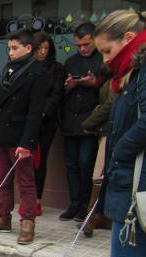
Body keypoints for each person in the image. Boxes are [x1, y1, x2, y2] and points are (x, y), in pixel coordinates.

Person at [93, 10, 146, 257]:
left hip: (135, 186)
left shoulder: (141, 71)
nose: (105, 60)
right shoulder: (130, 74)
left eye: (107, 51)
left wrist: (117, 154)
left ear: (128, 39)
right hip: (129, 183)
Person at [0, 29, 46, 245]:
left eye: (15, 48)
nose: (11, 52)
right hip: (1, 136)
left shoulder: (37, 72)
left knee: (25, 182)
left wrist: (27, 143)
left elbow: (35, 112)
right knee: (2, 180)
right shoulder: (8, 69)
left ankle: (27, 222)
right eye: (9, 48)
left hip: (20, 139)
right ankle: (2, 217)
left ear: (28, 48)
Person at [59, 22, 104, 222]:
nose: (83, 49)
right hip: (70, 120)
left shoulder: (103, 59)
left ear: (95, 39)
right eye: (79, 45)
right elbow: (61, 91)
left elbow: (108, 90)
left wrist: (94, 83)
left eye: (86, 44)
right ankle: (74, 204)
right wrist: (68, 87)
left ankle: (86, 205)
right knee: (71, 164)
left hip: (90, 121)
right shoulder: (70, 61)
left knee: (86, 163)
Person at [29, 31, 65, 216]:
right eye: (39, 48)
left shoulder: (57, 69)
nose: (43, 52)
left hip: (46, 123)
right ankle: (27, 199)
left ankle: (37, 200)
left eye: (46, 48)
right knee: (25, 160)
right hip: (27, 122)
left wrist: (42, 113)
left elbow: (57, 95)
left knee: (39, 161)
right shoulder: (28, 67)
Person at [80, 65, 117, 237]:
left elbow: (110, 104)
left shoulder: (120, 79)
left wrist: (89, 123)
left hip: (112, 132)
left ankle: (92, 218)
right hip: (106, 130)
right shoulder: (108, 79)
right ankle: (100, 216)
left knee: (99, 175)